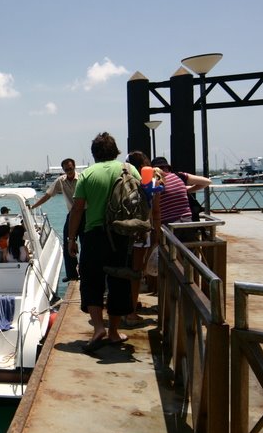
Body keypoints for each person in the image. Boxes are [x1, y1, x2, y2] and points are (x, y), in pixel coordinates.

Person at [67, 132, 139, 350]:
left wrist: (71, 239)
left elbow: (78, 210)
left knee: (91, 280)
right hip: (123, 234)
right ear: (115, 150)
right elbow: (145, 196)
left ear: (94, 153)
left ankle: (99, 328)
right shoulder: (129, 169)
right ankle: (115, 332)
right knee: (119, 280)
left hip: (94, 234)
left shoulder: (88, 175)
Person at [125, 151, 162, 326]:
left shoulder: (123, 180)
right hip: (141, 232)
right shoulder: (150, 181)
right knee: (136, 273)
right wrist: (157, 234)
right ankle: (131, 312)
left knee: (124, 271)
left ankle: (124, 306)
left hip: (123, 231)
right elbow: (155, 211)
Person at [30, 158, 82, 282]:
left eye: (70, 168)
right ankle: (72, 274)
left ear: (74, 167)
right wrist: (33, 206)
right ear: (63, 170)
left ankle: (87, 272)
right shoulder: (61, 181)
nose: (69, 171)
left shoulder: (82, 179)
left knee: (87, 243)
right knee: (67, 242)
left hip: (85, 213)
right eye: (66, 169)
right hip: (72, 214)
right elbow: (48, 195)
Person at [151, 157, 211, 242]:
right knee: (189, 251)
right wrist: (185, 189)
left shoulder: (155, 183)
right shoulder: (179, 176)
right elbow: (207, 181)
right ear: (168, 168)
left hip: (169, 224)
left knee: (170, 252)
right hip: (187, 221)